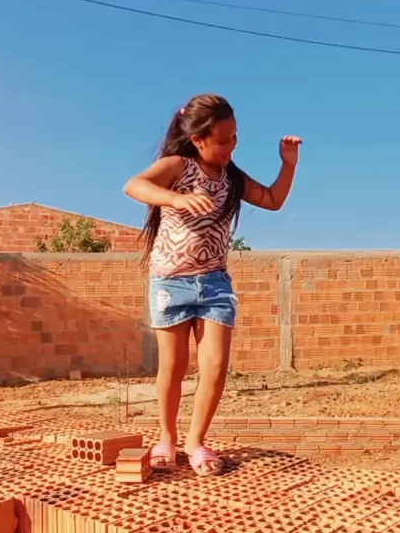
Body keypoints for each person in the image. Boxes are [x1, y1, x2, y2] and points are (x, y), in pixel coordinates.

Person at [123, 93, 301, 476]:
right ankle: (166, 439)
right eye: (222, 140)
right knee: (173, 367)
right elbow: (135, 186)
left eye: (234, 137)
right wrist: (176, 199)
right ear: (197, 140)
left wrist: (288, 165)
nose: (230, 146)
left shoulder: (232, 178)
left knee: (216, 366)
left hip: (215, 283)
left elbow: (273, 199)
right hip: (170, 282)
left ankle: (195, 441)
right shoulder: (178, 166)